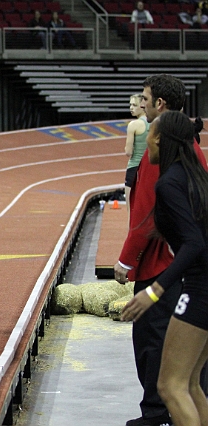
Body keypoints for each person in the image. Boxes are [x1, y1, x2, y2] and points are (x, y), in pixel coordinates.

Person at [114, 74, 207, 426]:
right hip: (195, 279)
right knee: (193, 384)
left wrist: (154, 289)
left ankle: (156, 415)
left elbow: (184, 239)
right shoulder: (192, 156)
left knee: (171, 383)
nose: (143, 144)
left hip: (187, 280)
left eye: (148, 137)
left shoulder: (166, 174)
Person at [124, 94, 149, 213]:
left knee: (131, 210)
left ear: (142, 106)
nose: (131, 108)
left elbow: (128, 152)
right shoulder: (155, 123)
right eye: (130, 105)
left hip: (134, 168)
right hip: (150, 167)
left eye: (134, 105)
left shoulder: (133, 125)